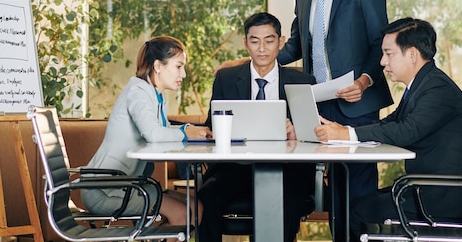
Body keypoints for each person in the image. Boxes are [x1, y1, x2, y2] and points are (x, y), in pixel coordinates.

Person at [314, 17, 462, 241]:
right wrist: (344, 130)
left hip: (444, 199)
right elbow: (389, 123)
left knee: (356, 213)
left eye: (389, 53)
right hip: (427, 190)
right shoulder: (423, 84)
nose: (382, 62)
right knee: (356, 206)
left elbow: (405, 132)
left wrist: (346, 134)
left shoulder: (437, 89)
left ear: (412, 54)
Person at [278, 0, 393, 238]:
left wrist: (364, 81)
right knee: (325, 189)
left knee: (357, 186)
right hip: (318, 103)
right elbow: (296, 46)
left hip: (358, 101)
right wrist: (255, 58)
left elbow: (379, 42)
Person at [198, 12, 317, 242]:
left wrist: (296, 133)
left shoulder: (302, 81)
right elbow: (212, 127)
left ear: (280, 42)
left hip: (288, 171)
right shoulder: (226, 79)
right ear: (245, 43)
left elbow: (315, 136)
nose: (262, 48)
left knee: (289, 202)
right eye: (255, 41)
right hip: (235, 168)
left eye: (269, 40)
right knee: (206, 198)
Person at [81, 36, 211, 230]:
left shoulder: (155, 95)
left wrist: (190, 131)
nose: (183, 74)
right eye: (178, 66)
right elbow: (154, 134)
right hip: (104, 190)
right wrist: (186, 132)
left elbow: (161, 131)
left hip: (129, 185)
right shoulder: (138, 93)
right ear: (158, 66)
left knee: (197, 207)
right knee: (184, 214)